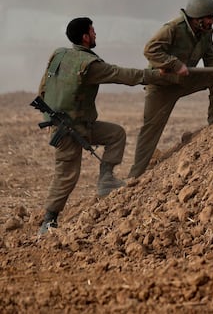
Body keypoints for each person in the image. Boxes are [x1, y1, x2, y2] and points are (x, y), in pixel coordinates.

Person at [38, 17, 169, 235]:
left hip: (80, 125)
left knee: (115, 134)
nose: (96, 34)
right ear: (85, 37)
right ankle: (48, 221)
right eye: (93, 31)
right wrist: (156, 75)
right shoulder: (89, 66)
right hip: (67, 130)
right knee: (67, 175)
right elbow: (122, 75)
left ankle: (106, 180)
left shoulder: (59, 55)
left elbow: (43, 87)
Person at [127, 0, 213, 178]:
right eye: (209, 18)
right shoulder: (173, 28)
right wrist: (175, 64)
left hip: (185, 80)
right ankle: (135, 176)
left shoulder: (206, 32)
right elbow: (150, 50)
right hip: (162, 85)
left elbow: (211, 60)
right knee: (151, 130)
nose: (212, 22)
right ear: (197, 18)